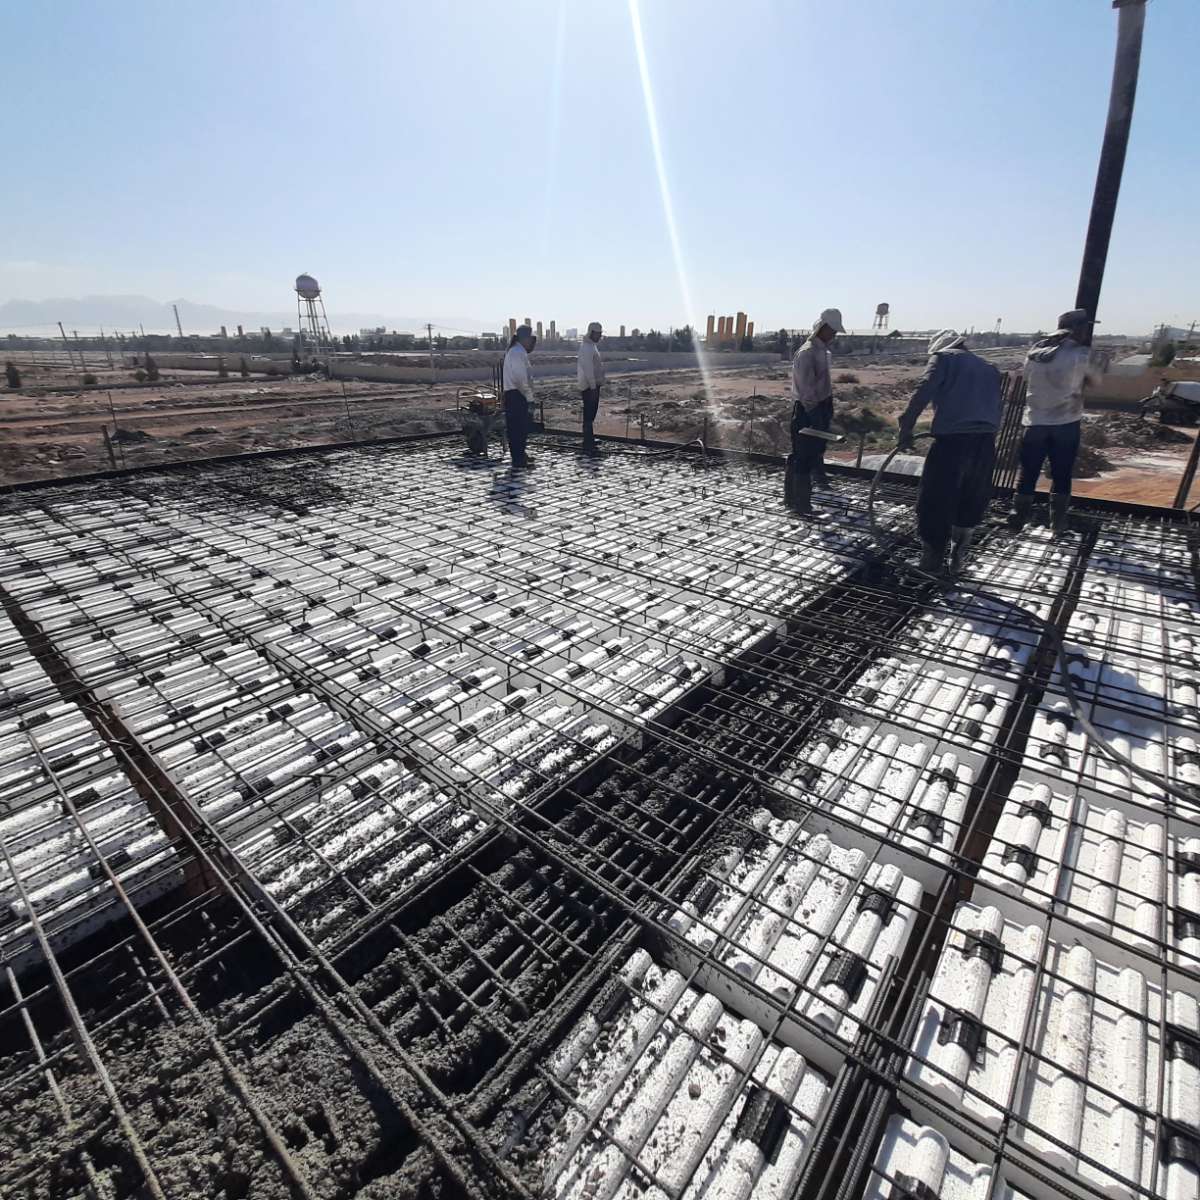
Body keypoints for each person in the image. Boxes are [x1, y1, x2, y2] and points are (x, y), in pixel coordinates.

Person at [898, 330, 1003, 574]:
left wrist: (906, 426)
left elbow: (923, 390)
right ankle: (957, 560)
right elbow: (998, 407)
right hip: (985, 444)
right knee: (971, 499)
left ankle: (931, 562)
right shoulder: (989, 368)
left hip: (952, 444)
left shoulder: (943, 358)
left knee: (935, 500)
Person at [1009, 308, 1101, 533]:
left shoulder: (1035, 353)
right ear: (1077, 329)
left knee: (1028, 474)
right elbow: (1095, 381)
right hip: (1065, 423)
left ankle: (1017, 521)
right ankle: (1058, 525)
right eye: (1085, 328)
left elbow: (1026, 376)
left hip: (1034, 423)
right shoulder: (1081, 354)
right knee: (1061, 475)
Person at [785, 308, 845, 514]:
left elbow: (820, 384)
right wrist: (815, 416)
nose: (834, 334)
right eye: (832, 330)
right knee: (802, 457)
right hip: (807, 410)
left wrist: (826, 410)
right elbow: (806, 390)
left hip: (820, 406)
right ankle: (800, 505)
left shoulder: (822, 351)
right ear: (822, 327)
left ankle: (795, 499)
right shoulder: (807, 353)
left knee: (812, 453)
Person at [502, 324, 536, 469]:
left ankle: (520, 454)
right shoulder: (516, 352)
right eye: (530, 338)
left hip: (516, 394)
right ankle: (518, 459)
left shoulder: (518, 351)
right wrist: (529, 398)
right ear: (525, 338)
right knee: (517, 429)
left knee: (520, 428)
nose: (532, 342)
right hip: (517, 395)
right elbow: (520, 380)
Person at [578, 322, 605, 455]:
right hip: (589, 386)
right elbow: (588, 369)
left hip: (592, 385)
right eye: (598, 334)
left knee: (591, 413)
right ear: (592, 333)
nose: (600, 336)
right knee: (589, 413)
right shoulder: (587, 348)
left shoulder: (591, 346)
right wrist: (593, 386)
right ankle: (588, 442)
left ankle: (589, 439)